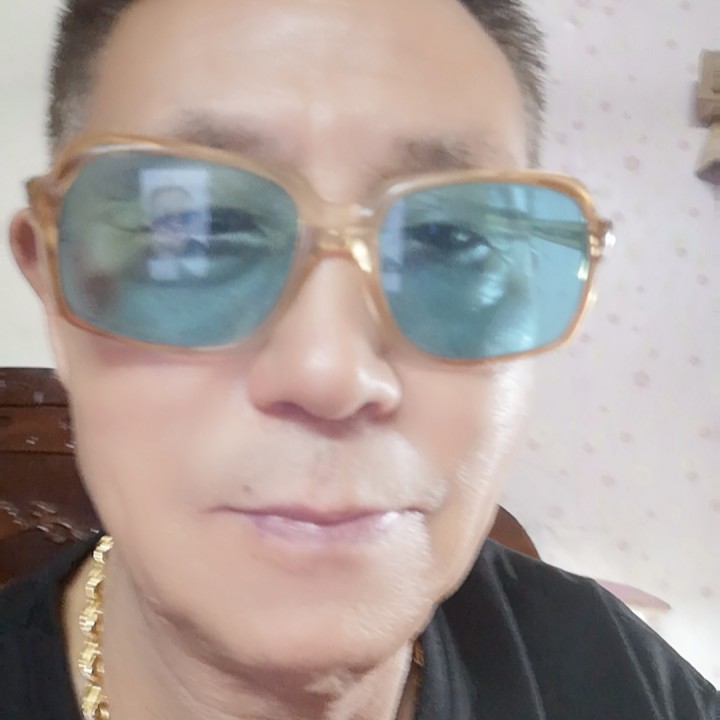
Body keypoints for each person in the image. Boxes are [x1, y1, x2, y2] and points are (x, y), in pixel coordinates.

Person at [1, 0, 717, 718]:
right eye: (201, 232)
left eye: (449, 242)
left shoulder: (623, 683)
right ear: (55, 298)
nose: (330, 373)